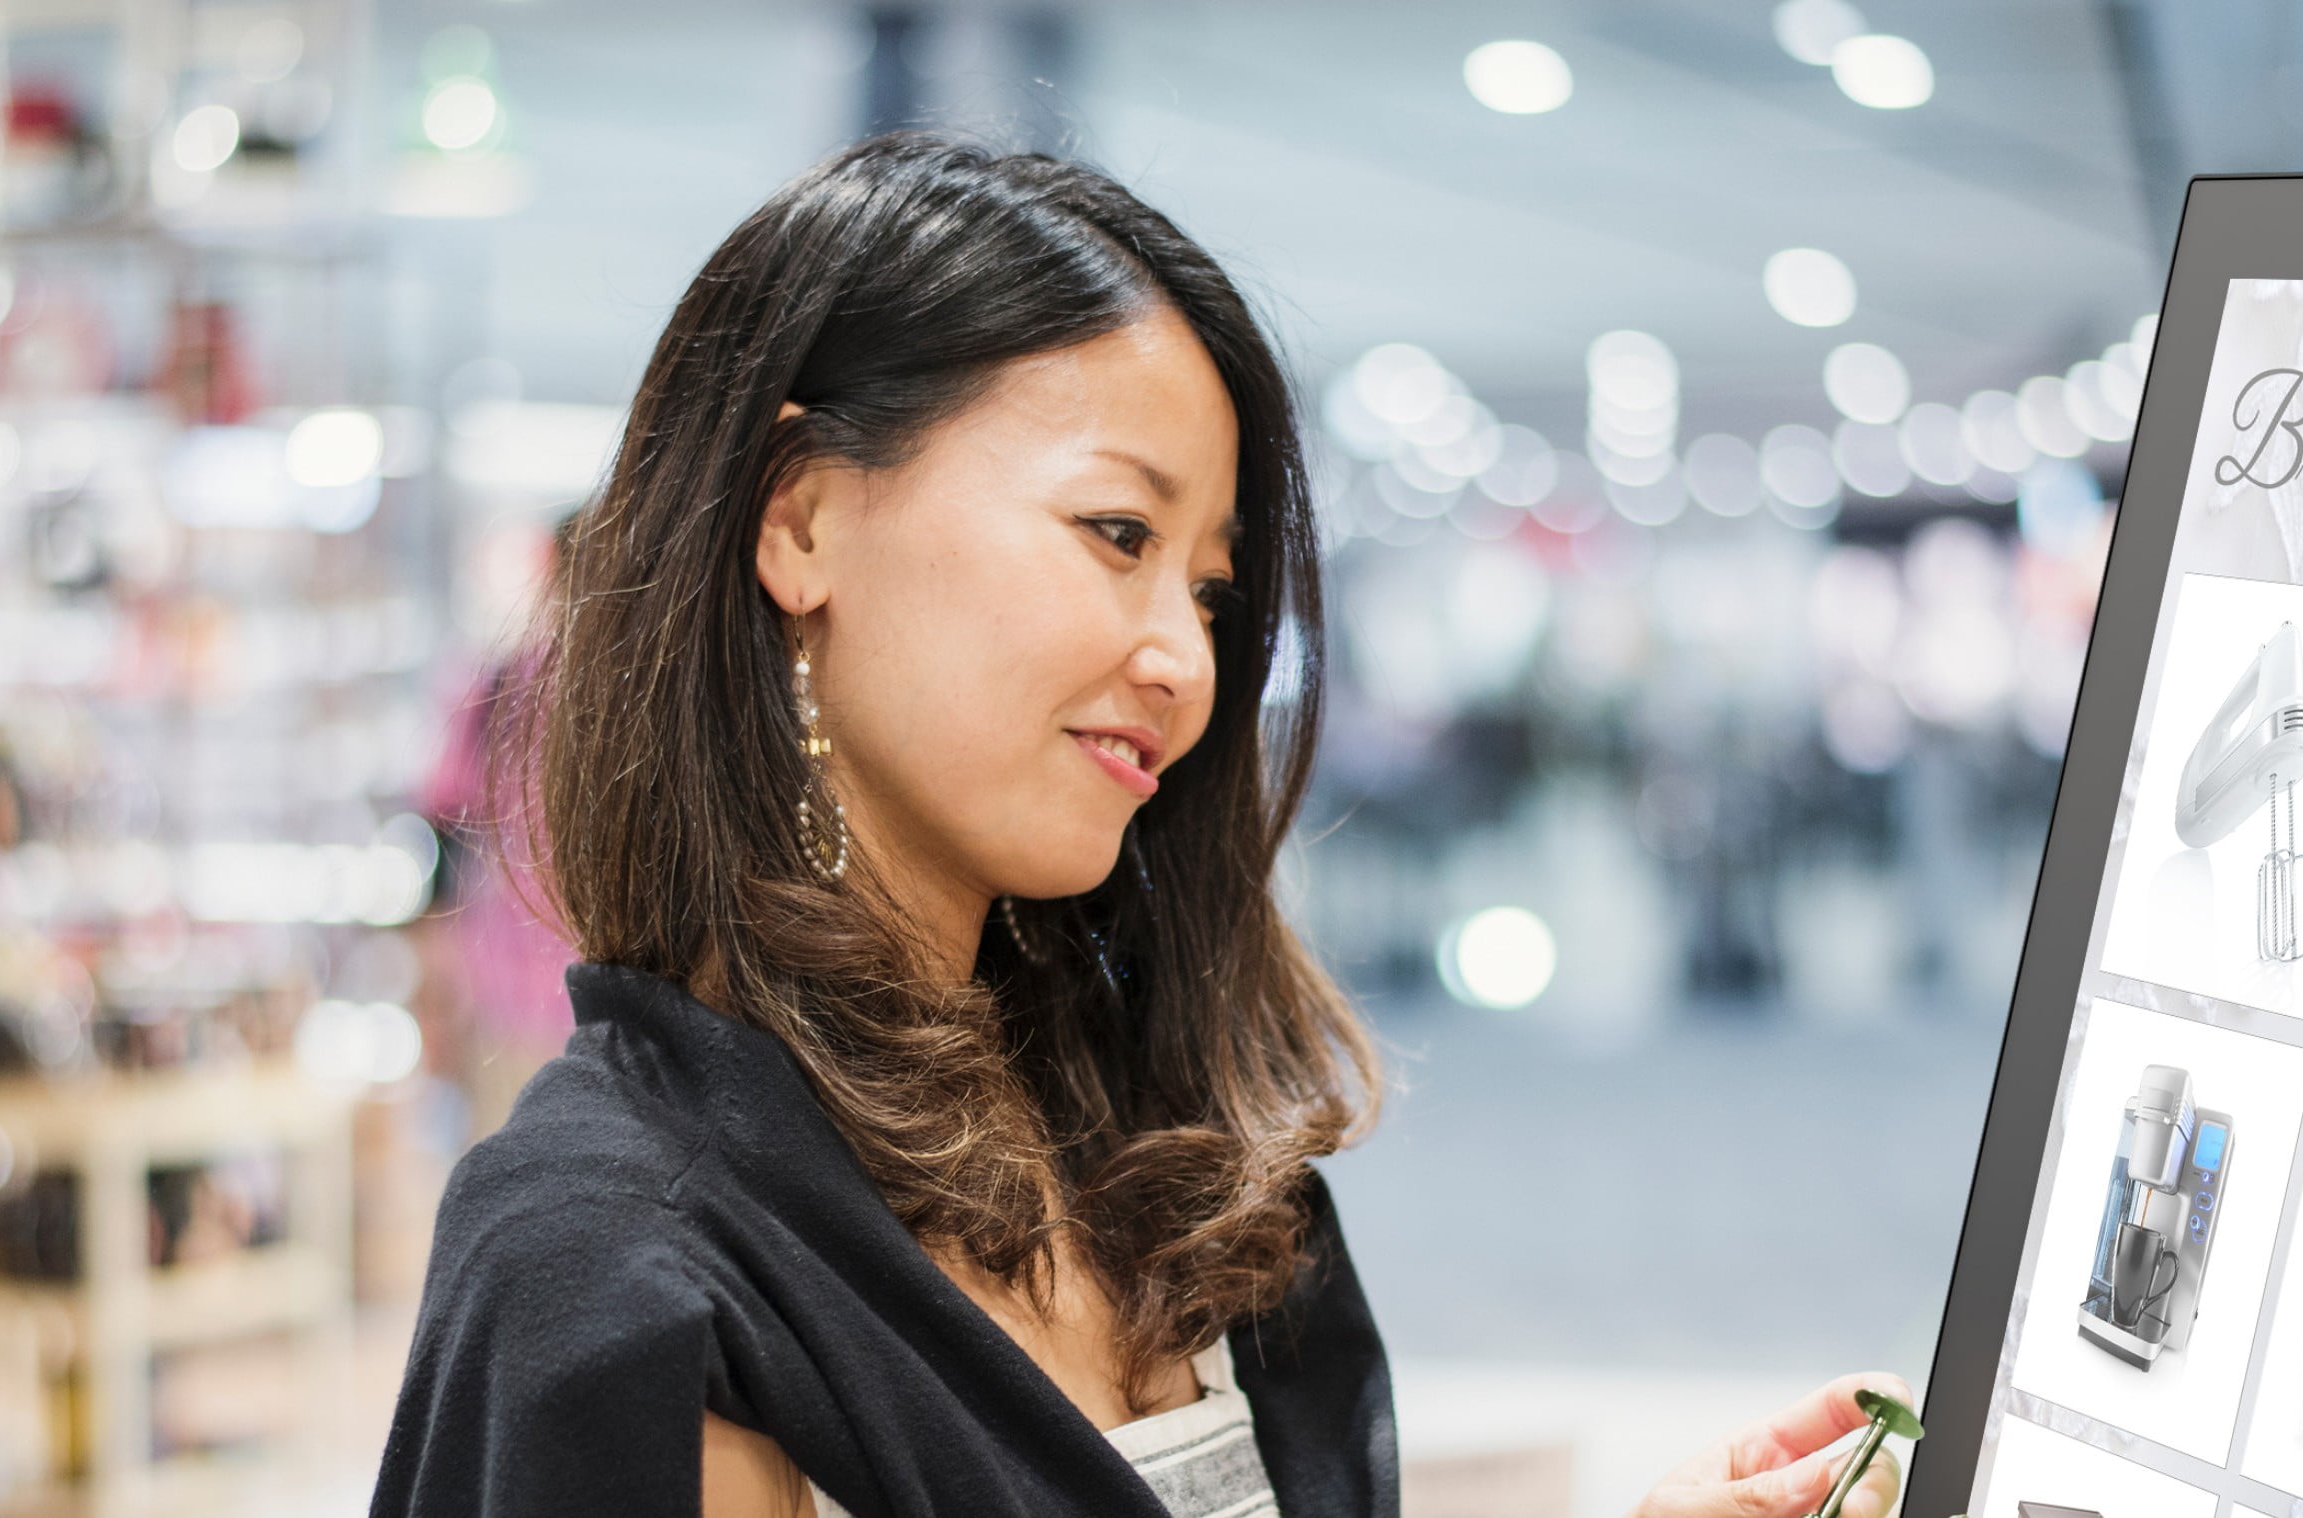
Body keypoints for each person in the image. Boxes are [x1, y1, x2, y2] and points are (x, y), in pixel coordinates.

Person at [368, 133, 1907, 1518]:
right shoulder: (616, 1263)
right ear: (801, 517)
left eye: (1212, 585)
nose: (1185, 654)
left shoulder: (1156, 1151)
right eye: (1117, 533)